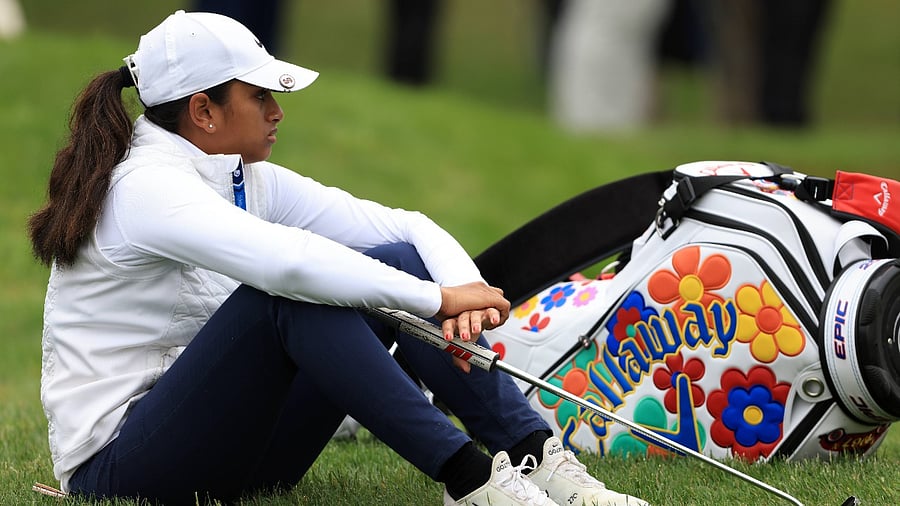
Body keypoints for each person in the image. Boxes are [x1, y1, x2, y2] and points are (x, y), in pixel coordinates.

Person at [27, 10, 649, 506]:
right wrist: (436, 302)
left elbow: (409, 229)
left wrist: (460, 287)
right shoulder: (145, 187)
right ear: (203, 111)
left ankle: (538, 457)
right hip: (122, 469)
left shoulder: (239, 176)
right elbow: (288, 266)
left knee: (396, 259)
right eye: (260, 95)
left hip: (239, 454)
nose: (277, 112)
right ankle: (473, 483)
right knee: (287, 298)